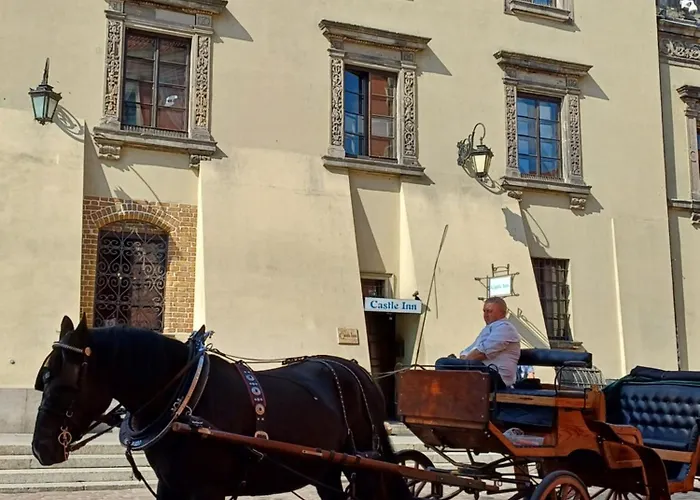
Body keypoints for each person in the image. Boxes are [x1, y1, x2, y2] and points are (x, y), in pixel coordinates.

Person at [435, 297, 522, 388]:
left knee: (443, 363)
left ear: (502, 313)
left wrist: (464, 361)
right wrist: (464, 360)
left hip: (498, 377)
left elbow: (481, 353)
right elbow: (467, 351)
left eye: (489, 311)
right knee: (448, 363)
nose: (485, 315)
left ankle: (451, 393)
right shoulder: (489, 329)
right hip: (484, 371)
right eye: (484, 311)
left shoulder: (505, 328)